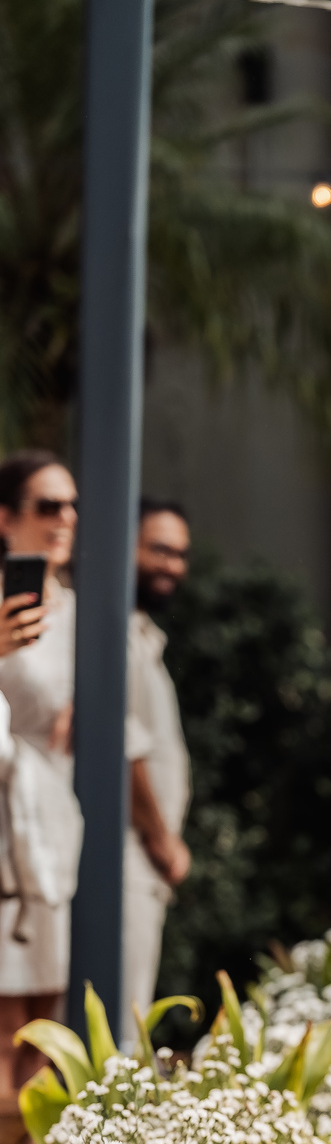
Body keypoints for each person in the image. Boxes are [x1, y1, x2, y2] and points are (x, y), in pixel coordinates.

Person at [0, 450, 83, 1095]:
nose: (66, 518)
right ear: (5, 518)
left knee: (49, 1019)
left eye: (73, 506)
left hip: (58, 819)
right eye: (49, 505)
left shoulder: (82, 613)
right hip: (4, 821)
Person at [123, 499, 192, 1044]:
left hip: (142, 862)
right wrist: (162, 838)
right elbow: (123, 748)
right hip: (125, 856)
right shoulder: (114, 635)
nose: (172, 565)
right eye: (159, 549)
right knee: (122, 1023)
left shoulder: (143, 633)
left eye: (180, 554)